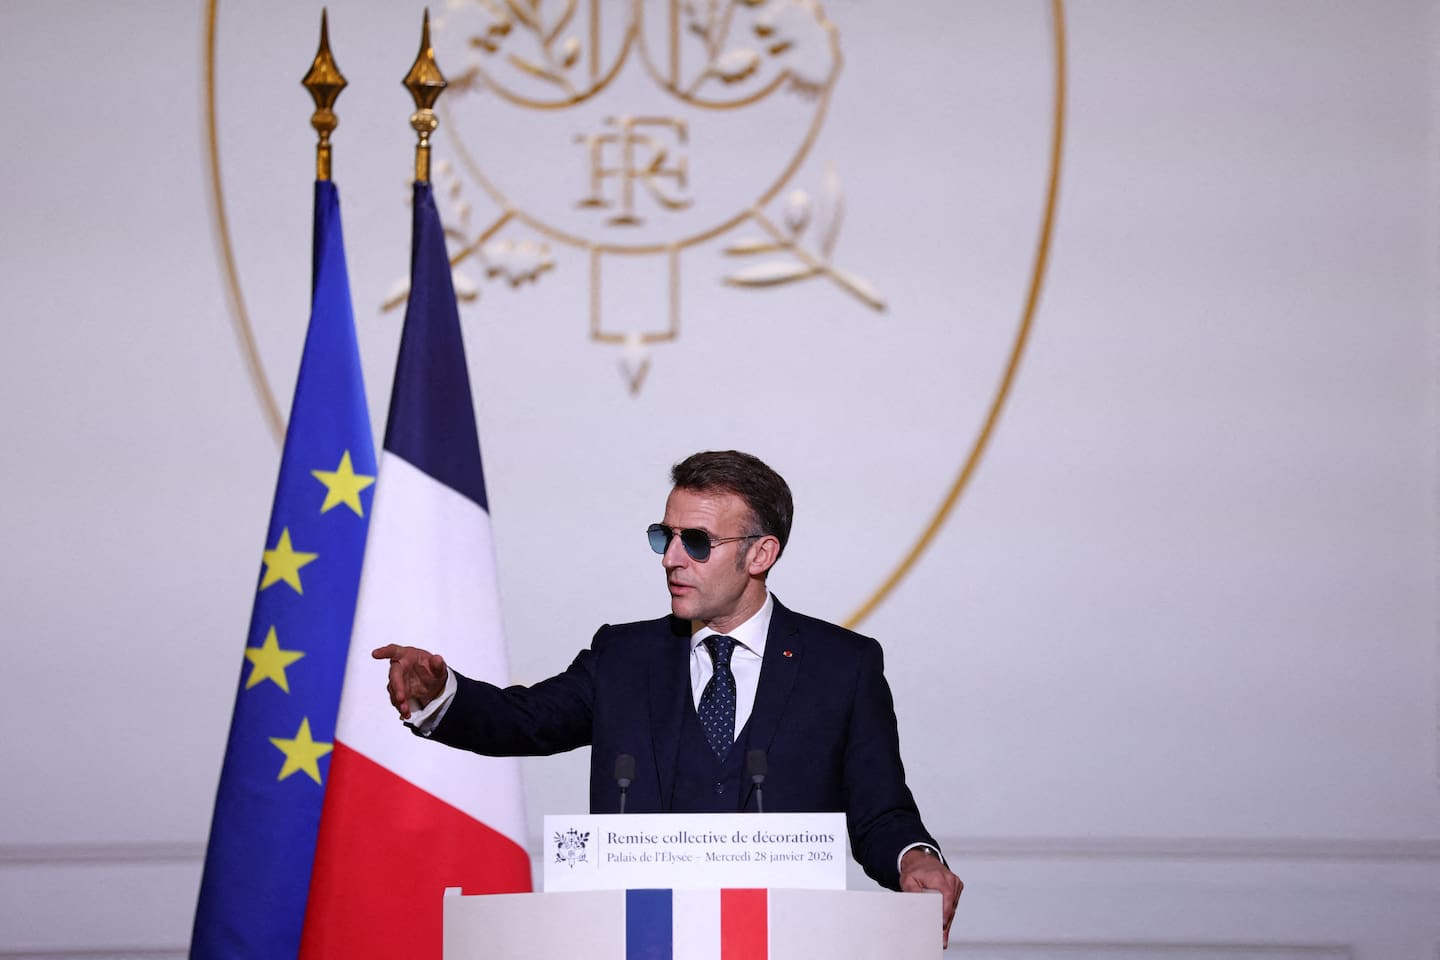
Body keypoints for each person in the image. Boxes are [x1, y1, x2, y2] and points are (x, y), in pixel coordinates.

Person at [375, 450, 964, 946]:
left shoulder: (842, 667)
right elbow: (525, 720)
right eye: (666, 536)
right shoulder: (624, 656)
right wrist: (442, 695)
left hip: (785, 942)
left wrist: (915, 858)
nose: (671, 559)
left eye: (697, 542)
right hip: (638, 942)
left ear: (760, 554)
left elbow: (880, 811)